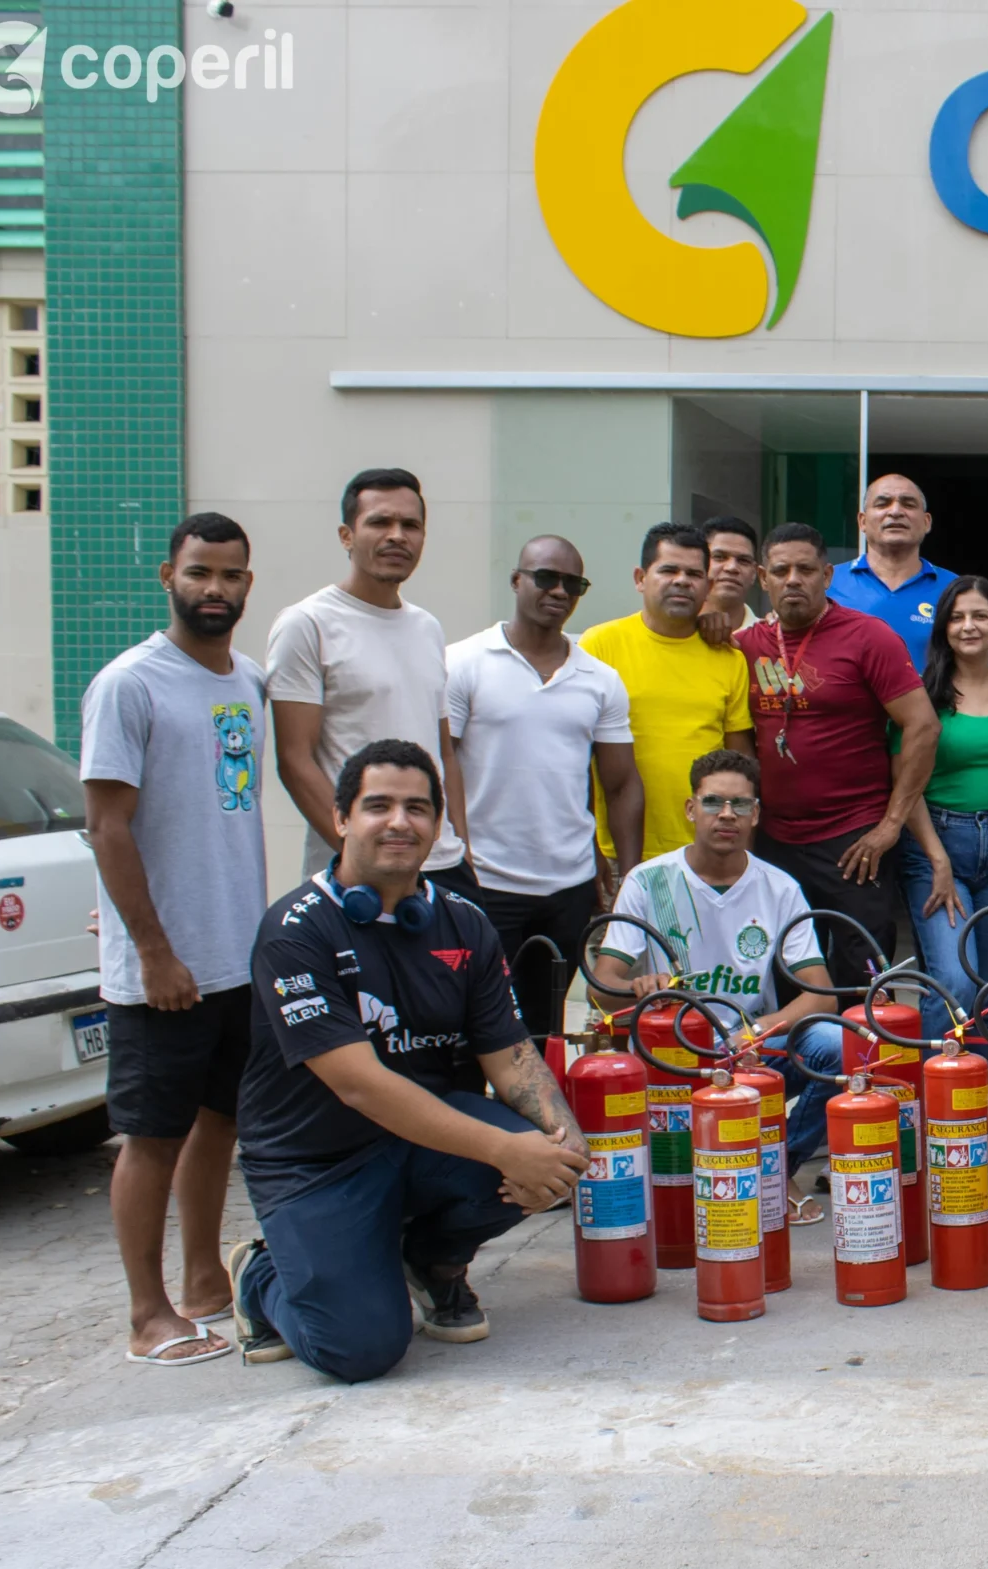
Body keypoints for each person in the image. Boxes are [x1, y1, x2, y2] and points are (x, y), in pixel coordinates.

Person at [225, 740, 587, 1378]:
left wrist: (566, 1145)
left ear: (438, 825)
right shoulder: (294, 931)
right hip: (316, 1161)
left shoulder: (465, 923)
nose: (400, 822)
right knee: (358, 1351)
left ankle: (431, 1262)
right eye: (379, 806)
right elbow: (361, 1086)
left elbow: (510, 1056)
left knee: (545, 1151)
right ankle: (261, 1276)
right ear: (341, 819)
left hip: (425, 1139)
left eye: (417, 808)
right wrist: (507, 1151)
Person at [81, 512, 270, 1367]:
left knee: (218, 1122)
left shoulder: (248, 681)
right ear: (169, 576)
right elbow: (107, 826)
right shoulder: (130, 684)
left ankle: (202, 1283)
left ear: (247, 584)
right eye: (199, 572)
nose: (214, 589)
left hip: (234, 954)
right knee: (151, 1136)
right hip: (164, 967)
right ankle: (145, 1314)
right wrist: (152, 950)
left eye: (230, 575)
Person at [590, 749, 845, 1172]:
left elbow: (821, 996)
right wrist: (639, 989)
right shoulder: (648, 881)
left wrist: (754, 1032)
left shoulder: (779, 887)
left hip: (751, 1052)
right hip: (674, 1054)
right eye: (713, 802)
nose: (727, 814)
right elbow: (601, 989)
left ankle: (778, 1168)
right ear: (691, 809)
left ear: (755, 814)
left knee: (838, 1044)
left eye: (740, 804)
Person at [444, 536, 643, 1042]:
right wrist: (458, 857)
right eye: (546, 578)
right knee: (471, 1027)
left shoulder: (599, 679)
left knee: (543, 1032)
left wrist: (628, 880)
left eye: (572, 584)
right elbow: (441, 766)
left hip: (568, 889)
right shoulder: (463, 662)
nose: (559, 591)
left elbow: (621, 784)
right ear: (516, 580)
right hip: (485, 881)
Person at [738, 521, 937, 968]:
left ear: (827, 576)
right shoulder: (743, 646)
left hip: (854, 839)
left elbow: (923, 727)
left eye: (806, 569)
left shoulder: (869, 637)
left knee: (861, 977)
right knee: (783, 972)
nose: (793, 579)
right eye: (781, 570)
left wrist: (891, 826)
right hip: (774, 839)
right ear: (763, 578)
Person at [266, 467, 470, 889]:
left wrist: (462, 847)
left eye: (410, 525)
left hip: (444, 866)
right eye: (380, 522)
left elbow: (444, 754)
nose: (397, 536)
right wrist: (359, 857)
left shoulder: (427, 627)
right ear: (346, 535)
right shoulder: (307, 624)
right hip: (359, 875)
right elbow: (295, 761)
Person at [903, 577, 988, 1109]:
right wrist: (938, 860)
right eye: (957, 617)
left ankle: (977, 1113)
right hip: (936, 844)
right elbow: (905, 786)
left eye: (980, 616)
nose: (969, 626)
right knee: (954, 982)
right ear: (943, 627)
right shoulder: (921, 694)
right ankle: (937, 1114)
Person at [579, 523, 755, 868]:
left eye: (694, 574)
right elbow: (576, 756)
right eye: (668, 570)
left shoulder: (728, 657)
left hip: (706, 852)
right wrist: (588, 846)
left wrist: (742, 853)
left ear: (708, 585)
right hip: (613, 852)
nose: (682, 581)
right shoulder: (599, 646)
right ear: (640, 578)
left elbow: (740, 763)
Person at [831, 474, 949, 663]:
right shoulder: (827, 584)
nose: (895, 511)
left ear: (927, 522)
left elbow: (977, 671)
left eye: (908, 504)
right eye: (882, 504)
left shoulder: (954, 589)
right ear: (862, 521)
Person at [699, 514, 762, 642]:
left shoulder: (772, 639)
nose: (732, 567)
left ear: (754, 573)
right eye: (719, 557)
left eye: (743, 560)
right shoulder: (675, 633)